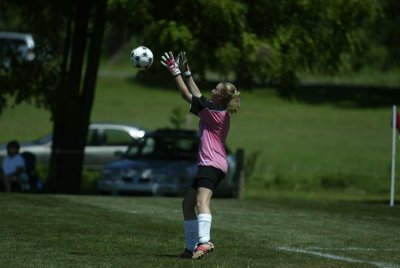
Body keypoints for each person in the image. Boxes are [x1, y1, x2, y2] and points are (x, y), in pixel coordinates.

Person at [161, 51, 241, 259]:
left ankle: (204, 243)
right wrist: (188, 74)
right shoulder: (216, 109)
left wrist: (175, 71)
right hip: (211, 163)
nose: (212, 89)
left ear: (220, 96)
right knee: (187, 204)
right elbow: (198, 97)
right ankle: (190, 248)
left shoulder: (214, 112)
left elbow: (187, 96)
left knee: (201, 202)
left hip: (211, 164)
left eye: (216, 88)